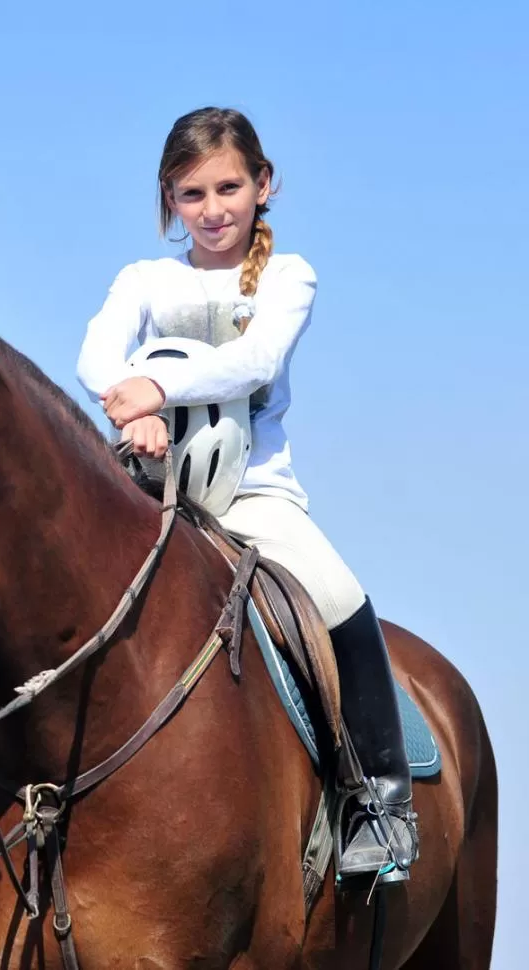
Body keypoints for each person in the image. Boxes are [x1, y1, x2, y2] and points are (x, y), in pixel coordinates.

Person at [75, 106, 418, 883]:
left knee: (339, 596)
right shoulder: (144, 280)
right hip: (149, 485)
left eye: (229, 186)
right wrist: (130, 402)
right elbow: (95, 353)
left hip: (253, 495)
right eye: (192, 193)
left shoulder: (289, 276)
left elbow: (255, 363)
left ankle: (383, 802)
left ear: (265, 185)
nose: (214, 207)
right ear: (170, 200)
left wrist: (153, 385)